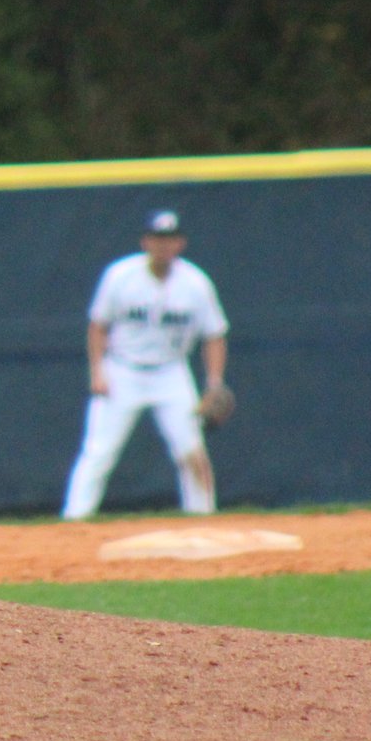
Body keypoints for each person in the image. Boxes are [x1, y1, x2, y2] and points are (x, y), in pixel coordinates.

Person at [59, 209, 231, 520]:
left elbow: (214, 334)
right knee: (99, 452)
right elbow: (98, 326)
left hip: (171, 373)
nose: (163, 245)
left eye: (170, 239)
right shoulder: (120, 275)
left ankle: (203, 517)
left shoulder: (195, 283)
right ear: (145, 242)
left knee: (191, 450)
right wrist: (98, 371)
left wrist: (214, 382)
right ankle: (73, 521)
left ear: (180, 244)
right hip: (123, 370)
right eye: (157, 239)